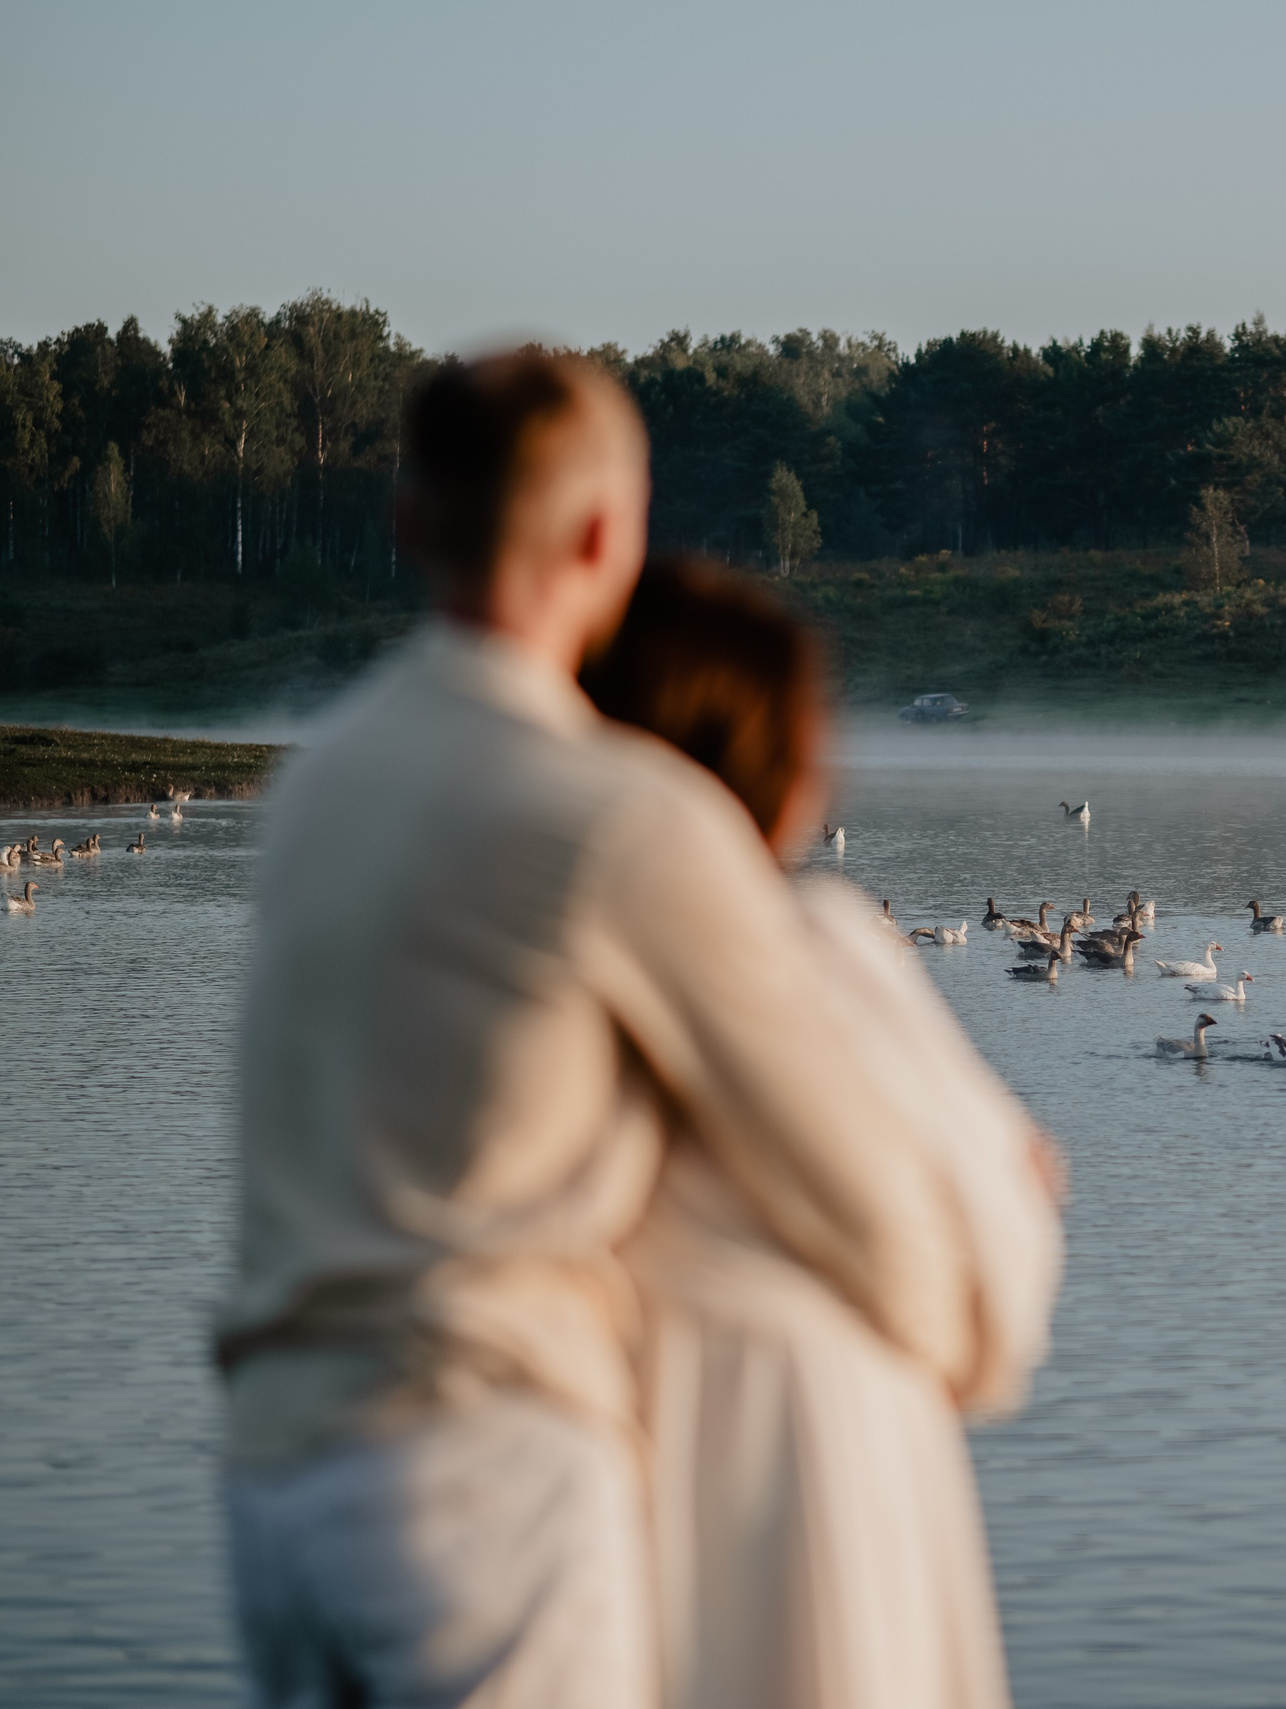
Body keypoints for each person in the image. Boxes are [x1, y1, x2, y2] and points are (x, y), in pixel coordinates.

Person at [216, 354, 1031, 1709]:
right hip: (476, 1479)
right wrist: (967, 1331)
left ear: (408, 521)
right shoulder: (620, 819)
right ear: (609, 535)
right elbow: (854, 1179)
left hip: (271, 1468)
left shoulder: (321, 781)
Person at [582, 555, 1062, 1709]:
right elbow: (1005, 1270)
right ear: (786, 773)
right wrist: (1012, 1174)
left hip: (608, 1485)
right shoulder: (817, 945)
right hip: (825, 1458)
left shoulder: (534, 971)